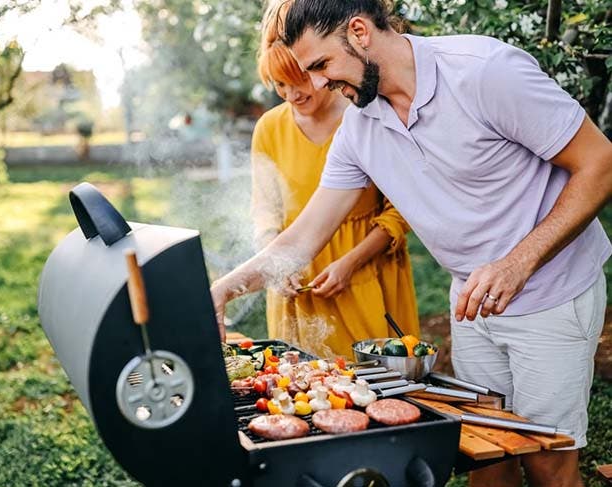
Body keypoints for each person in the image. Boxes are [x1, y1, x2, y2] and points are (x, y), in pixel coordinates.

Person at [211, 1, 612, 485]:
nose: (316, 85)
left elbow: (600, 163)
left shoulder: (485, 72)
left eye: (320, 65)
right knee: (487, 455)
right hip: (473, 304)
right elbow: (301, 239)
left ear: (359, 32)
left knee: (547, 460)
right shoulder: (359, 126)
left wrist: (517, 262)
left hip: (552, 293)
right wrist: (224, 289)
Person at [249, 1, 419, 358]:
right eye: (279, 85)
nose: (292, 95)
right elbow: (265, 209)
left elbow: (400, 211)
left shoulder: (364, 115)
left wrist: (350, 263)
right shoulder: (269, 128)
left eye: (298, 82)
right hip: (298, 281)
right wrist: (277, 264)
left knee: (378, 384)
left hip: (366, 276)